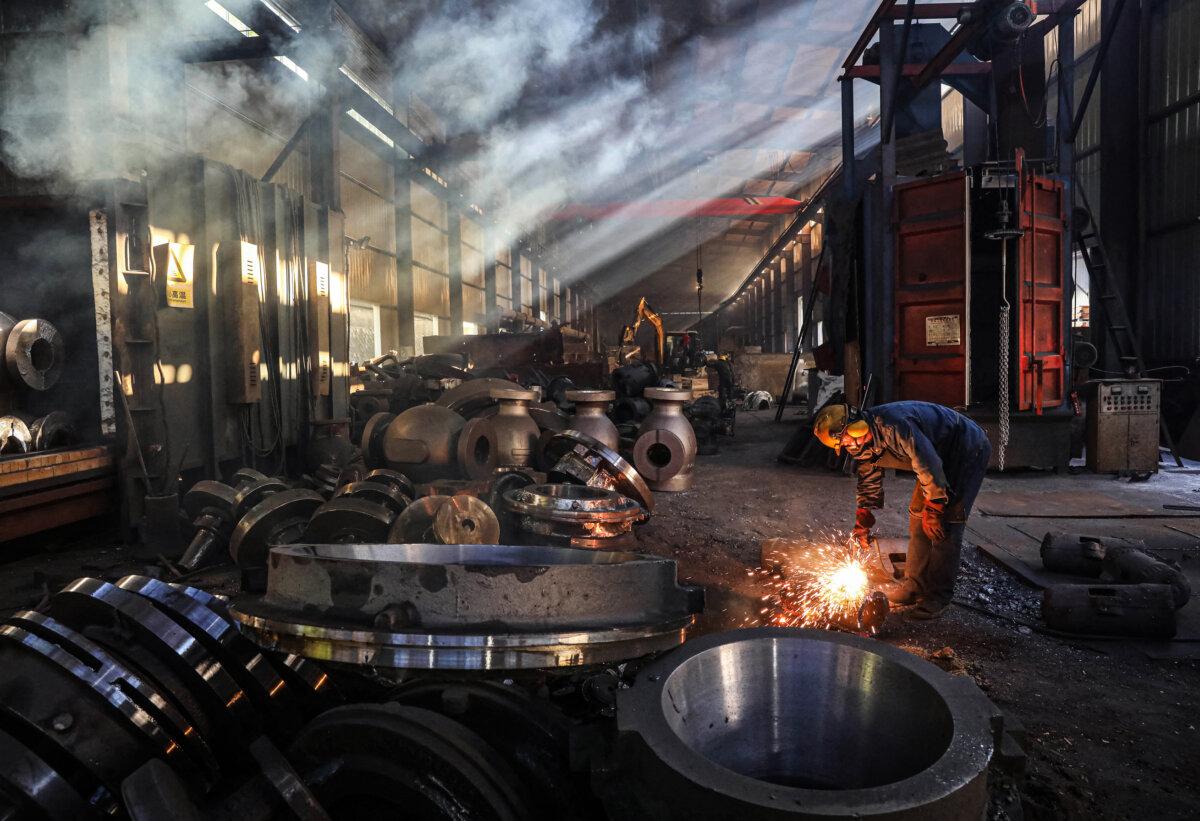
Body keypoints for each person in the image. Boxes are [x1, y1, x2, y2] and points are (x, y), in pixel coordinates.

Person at [813, 400, 992, 619]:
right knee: (918, 516)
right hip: (936, 459)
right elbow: (869, 477)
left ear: (854, 425)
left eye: (846, 440)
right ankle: (913, 587)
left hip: (964, 448)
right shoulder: (858, 444)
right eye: (843, 444)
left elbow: (927, 463)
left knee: (944, 524)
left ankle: (938, 597)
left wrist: (935, 508)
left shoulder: (894, 426)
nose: (849, 445)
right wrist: (863, 518)